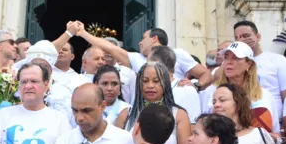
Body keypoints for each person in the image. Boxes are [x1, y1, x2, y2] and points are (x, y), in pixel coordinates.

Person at [73, 22, 213, 91]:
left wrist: (196, 86)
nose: (139, 42)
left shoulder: (178, 54)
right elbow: (109, 47)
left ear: (154, 39)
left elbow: (206, 74)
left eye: (143, 38)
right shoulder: (137, 59)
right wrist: (83, 33)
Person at [125, 62, 192, 144]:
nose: (150, 85)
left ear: (165, 83)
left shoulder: (178, 115)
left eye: (156, 81)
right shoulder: (128, 113)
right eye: (145, 81)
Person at [205, 41, 280, 133]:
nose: (229, 62)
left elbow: (275, 131)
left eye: (236, 58)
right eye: (226, 58)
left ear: (249, 64)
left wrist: (275, 138)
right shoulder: (212, 91)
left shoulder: (265, 95)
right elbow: (204, 128)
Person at [233, 20, 286, 121]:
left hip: (274, 121)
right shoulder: (232, 64)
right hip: (243, 121)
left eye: (246, 36)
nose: (241, 40)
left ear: (258, 37)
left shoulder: (277, 59)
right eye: (237, 38)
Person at [212, 83, 276, 144]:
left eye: (222, 100)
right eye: (214, 102)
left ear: (238, 104)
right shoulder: (208, 137)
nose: (216, 105)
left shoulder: (259, 134)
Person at [149, 46, 201, 125]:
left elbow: (192, 126)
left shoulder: (186, 90)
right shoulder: (148, 90)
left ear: (157, 63)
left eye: (147, 63)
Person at [102, 37, 137, 105]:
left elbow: (134, 97)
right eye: (105, 49)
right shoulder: (94, 71)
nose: (108, 52)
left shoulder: (129, 73)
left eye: (111, 50)